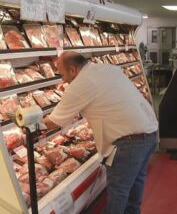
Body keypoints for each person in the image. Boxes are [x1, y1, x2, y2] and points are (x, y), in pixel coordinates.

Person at [43, 51, 158, 214]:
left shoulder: (80, 84)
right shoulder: (108, 69)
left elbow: (55, 122)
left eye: (62, 74)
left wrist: (28, 121)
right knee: (135, 184)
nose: (62, 79)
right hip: (149, 131)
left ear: (73, 69)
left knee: (118, 192)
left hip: (128, 143)